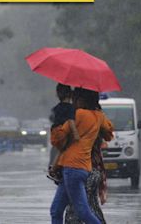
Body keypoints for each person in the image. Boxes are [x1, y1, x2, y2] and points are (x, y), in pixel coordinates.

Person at [50, 87, 114, 224]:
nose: (74, 100)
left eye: (76, 98)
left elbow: (57, 139)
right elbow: (109, 133)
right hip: (83, 167)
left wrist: (57, 123)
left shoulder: (77, 114)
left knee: (83, 211)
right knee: (56, 210)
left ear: (81, 99)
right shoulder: (98, 116)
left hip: (72, 167)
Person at [64, 130, 108, 224]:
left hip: (84, 171)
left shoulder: (78, 133)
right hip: (93, 172)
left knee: (78, 206)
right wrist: (102, 189)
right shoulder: (94, 130)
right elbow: (100, 162)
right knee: (91, 204)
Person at [48, 84, 80, 183]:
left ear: (57, 95)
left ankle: (54, 169)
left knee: (59, 151)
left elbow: (52, 118)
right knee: (64, 151)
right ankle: (54, 170)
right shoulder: (70, 108)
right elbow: (71, 121)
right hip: (63, 133)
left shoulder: (56, 108)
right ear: (70, 95)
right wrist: (76, 134)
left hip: (55, 133)